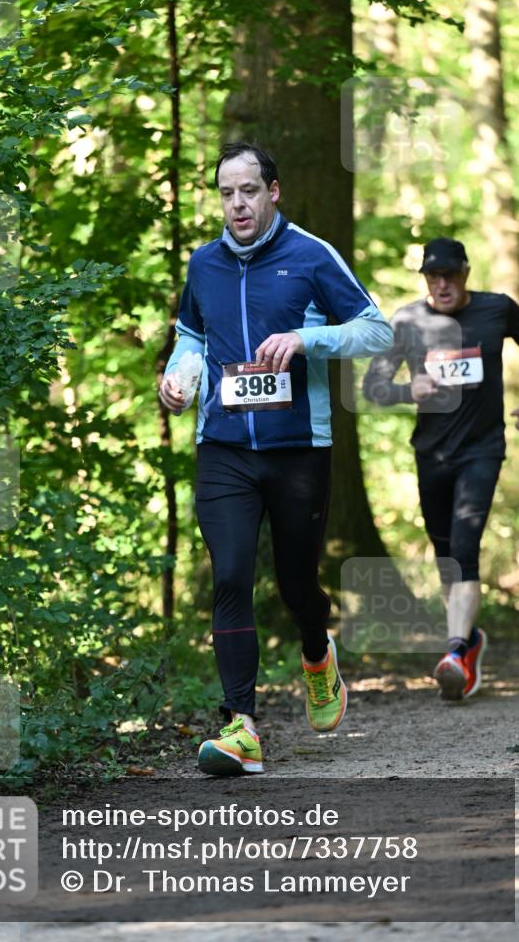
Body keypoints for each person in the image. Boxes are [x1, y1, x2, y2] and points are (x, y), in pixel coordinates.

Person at [158, 142, 394, 775]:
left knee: (295, 585)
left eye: (249, 191)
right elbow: (191, 337)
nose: (237, 203)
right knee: (230, 575)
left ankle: (318, 655)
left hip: (297, 453)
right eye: (227, 192)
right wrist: (178, 380)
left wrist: (306, 338)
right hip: (225, 448)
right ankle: (241, 726)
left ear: (273, 192)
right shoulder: (204, 263)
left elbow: (377, 329)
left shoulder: (312, 255)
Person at [363, 237, 519, 701]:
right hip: (431, 453)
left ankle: (455, 651)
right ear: (424, 279)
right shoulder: (408, 320)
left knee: (464, 544)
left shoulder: (496, 309)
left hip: (482, 448)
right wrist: (407, 390)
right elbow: (373, 386)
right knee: (444, 553)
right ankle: (470, 643)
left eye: (450, 276)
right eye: (432, 277)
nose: (441, 285)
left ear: (465, 273)